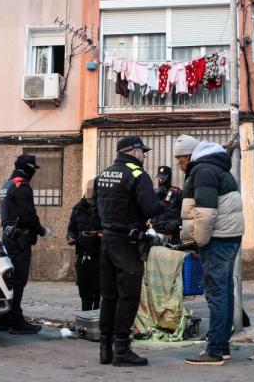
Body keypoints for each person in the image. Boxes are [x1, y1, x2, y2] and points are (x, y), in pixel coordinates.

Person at [95, 136, 164, 367]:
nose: (145, 155)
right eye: (143, 151)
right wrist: (163, 205)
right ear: (134, 151)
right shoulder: (137, 174)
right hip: (127, 243)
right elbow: (151, 207)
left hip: (107, 241)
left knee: (109, 296)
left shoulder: (104, 173)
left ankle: (105, 349)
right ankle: (122, 349)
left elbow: (96, 207)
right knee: (129, 296)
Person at [180, 140, 245, 366]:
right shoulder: (216, 168)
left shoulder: (204, 171)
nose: (178, 164)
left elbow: (206, 213)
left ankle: (215, 350)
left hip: (217, 240)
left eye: (180, 158)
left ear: (188, 156)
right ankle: (222, 344)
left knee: (216, 294)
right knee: (224, 291)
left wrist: (199, 242)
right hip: (229, 238)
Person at [0, 154, 46, 335]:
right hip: (19, 240)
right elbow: (28, 215)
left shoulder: (7, 184)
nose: (34, 172)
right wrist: (40, 229)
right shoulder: (22, 185)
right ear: (27, 168)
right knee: (19, 280)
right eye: (33, 169)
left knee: (10, 280)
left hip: (9, 237)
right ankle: (16, 322)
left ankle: (5, 320)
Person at [67, 179, 101, 311]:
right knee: (84, 289)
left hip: (98, 256)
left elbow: (107, 230)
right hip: (82, 256)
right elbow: (71, 229)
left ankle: (97, 318)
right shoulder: (78, 208)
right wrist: (71, 237)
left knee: (98, 290)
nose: (90, 201)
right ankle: (85, 316)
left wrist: (96, 234)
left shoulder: (102, 208)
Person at [149, 165, 182, 244]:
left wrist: (177, 222)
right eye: (159, 178)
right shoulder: (154, 193)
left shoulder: (177, 193)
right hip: (156, 230)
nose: (161, 180)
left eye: (163, 178)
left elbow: (186, 212)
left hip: (171, 232)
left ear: (169, 177)